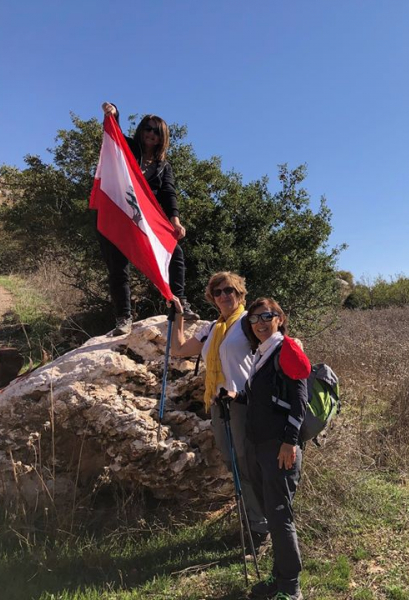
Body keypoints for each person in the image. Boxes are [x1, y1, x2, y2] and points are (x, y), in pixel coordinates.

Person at [169, 271, 269, 549]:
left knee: (246, 463)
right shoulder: (212, 328)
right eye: (218, 292)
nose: (224, 296)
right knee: (232, 463)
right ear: (212, 298)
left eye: (229, 290)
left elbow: (277, 342)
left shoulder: (249, 321)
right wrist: (178, 316)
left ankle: (261, 528)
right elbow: (179, 350)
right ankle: (252, 522)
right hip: (217, 404)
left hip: (244, 403)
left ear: (240, 293)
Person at [99, 102, 198, 336]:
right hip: (119, 214)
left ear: (163, 137)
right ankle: (123, 317)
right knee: (118, 268)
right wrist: (114, 113)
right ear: (141, 130)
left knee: (175, 252)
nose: (151, 134)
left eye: (156, 131)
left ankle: (181, 303)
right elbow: (114, 136)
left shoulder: (163, 166)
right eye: (147, 128)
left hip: (143, 220)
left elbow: (168, 194)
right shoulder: (128, 149)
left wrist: (175, 221)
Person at [242, 297, 310, 600]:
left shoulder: (287, 350)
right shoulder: (262, 353)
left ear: (279, 319)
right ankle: (279, 577)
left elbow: (300, 401)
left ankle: (290, 588)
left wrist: (290, 442)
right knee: (273, 514)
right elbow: (265, 399)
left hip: (279, 448)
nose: (260, 323)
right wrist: (234, 396)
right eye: (254, 318)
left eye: (266, 316)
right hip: (260, 445)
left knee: (280, 516)